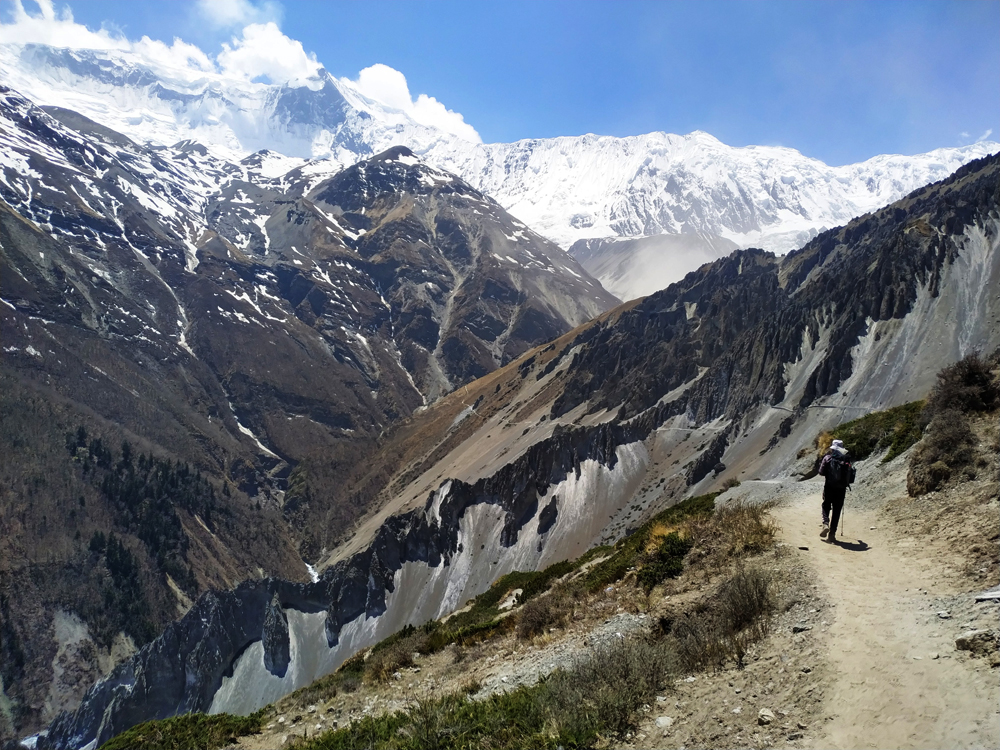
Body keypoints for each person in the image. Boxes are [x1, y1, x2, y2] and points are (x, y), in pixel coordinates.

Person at [818, 439, 851, 544]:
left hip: (829, 487)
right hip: (841, 489)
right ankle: (832, 534)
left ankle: (825, 523)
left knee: (826, 505)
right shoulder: (846, 460)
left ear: (832, 448)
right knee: (837, 511)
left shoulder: (827, 458)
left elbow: (821, 472)